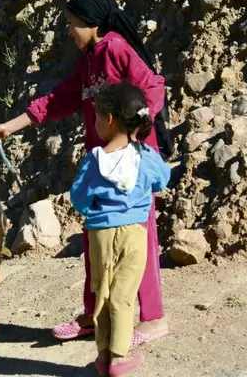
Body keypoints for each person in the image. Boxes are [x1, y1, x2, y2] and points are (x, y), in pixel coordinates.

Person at [0, 0, 170, 347]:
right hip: (102, 164)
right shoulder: (88, 60)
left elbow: (153, 88)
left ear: (92, 23)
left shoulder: (115, 48)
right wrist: (10, 126)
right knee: (96, 240)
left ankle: (154, 319)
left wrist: (133, 139)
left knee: (138, 239)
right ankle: (93, 314)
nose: (68, 31)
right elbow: (58, 99)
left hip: (129, 166)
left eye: (72, 24)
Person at [69, 81, 170, 376]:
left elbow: (78, 198)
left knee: (102, 292)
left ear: (109, 119)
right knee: (123, 295)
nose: (95, 121)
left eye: (97, 115)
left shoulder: (93, 161)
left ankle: (102, 356)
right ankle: (119, 357)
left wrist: (94, 211)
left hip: (100, 235)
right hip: (134, 235)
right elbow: (162, 179)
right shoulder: (145, 156)